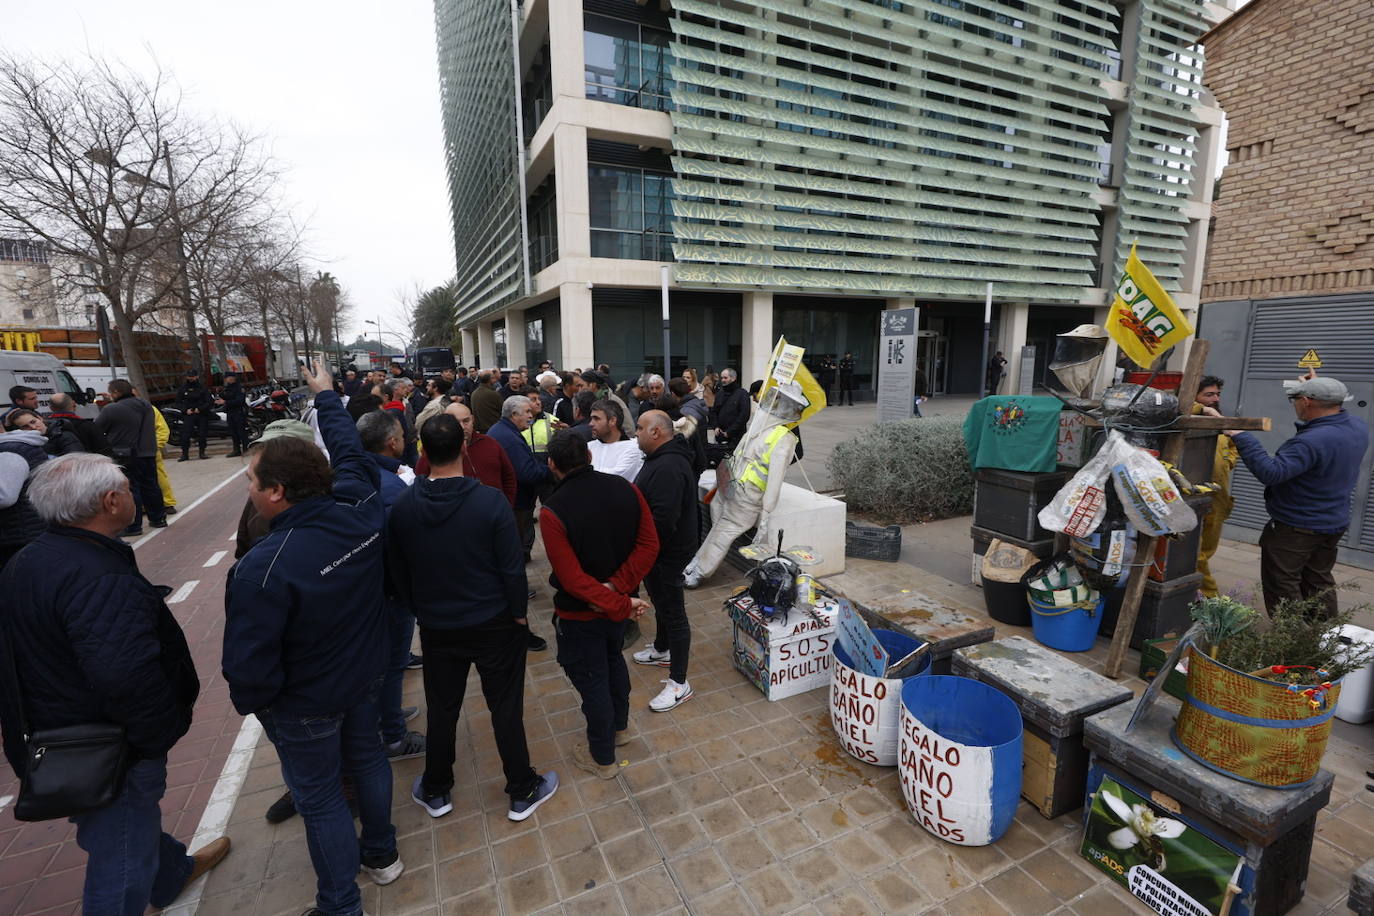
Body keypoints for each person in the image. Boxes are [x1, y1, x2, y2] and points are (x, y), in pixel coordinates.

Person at [0, 453, 230, 910]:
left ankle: (171, 874)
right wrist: (153, 739)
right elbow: (125, 675)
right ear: (109, 501)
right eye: (126, 489)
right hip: (106, 746)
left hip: (57, 731)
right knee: (121, 854)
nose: (133, 495)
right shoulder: (97, 577)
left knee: (123, 824)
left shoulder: (30, 560)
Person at [222, 359, 404, 912]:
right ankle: (382, 854)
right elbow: (350, 452)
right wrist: (326, 395)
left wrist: (267, 711)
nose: (248, 488)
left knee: (322, 797)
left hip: (306, 704)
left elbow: (247, 670)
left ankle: (339, 905)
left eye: (251, 480)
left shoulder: (262, 569)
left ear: (276, 492)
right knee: (369, 760)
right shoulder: (359, 506)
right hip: (364, 675)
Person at [387, 415, 559, 821]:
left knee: (443, 707)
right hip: (493, 621)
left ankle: (436, 788)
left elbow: (397, 570)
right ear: (463, 449)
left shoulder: (404, 505)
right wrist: (519, 614)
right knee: (504, 705)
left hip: (438, 625)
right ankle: (521, 787)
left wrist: (419, 609)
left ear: (423, 452)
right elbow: (510, 567)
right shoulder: (488, 501)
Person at [540, 432, 657, 777]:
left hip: (582, 612)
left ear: (551, 465)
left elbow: (573, 579)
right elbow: (648, 546)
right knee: (612, 663)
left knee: (593, 681)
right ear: (589, 458)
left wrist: (612, 599)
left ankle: (602, 758)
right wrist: (618, 593)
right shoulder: (626, 488)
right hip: (616, 603)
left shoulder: (552, 511)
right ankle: (619, 729)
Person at [1226, 374, 1370, 619]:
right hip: (1331, 523)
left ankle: (1291, 642)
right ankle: (1324, 636)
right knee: (1318, 580)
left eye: (1295, 399)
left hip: (1297, 528)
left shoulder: (1310, 442)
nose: (1293, 404)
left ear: (1306, 401)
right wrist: (1318, 385)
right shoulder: (1357, 427)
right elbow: (1330, 403)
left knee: (1282, 584)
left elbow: (1271, 473)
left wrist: (1241, 436)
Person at [685, 382, 807, 588]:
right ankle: (697, 562)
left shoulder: (782, 438)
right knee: (718, 529)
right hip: (732, 487)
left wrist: (766, 515)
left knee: (723, 532)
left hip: (745, 496)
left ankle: (698, 570)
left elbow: (774, 482)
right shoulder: (761, 427)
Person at [356, 411, 427, 762]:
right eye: (401, 433)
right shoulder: (390, 488)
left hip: (372, 590)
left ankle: (390, 715)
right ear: (392, 443)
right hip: (391, 592)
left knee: (387, 665)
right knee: (392, 663)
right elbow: (402, 546)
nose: (405, 439)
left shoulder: (360, 473)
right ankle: (395, 738)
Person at [631, 411, 698, 711]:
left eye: (640, 428)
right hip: (657, 552)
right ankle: (662, 648)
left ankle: (679, 683)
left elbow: (663, 520)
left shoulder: (669, 465)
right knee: (661, 601)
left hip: (666, 554)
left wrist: (644, 552)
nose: (636, 434)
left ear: (656, 432)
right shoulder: (660, 459)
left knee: (674, 613)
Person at [488, 396, 554, 577]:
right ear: (514, 414)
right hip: (516, 502)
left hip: (514, 500)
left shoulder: (505, 431)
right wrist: (553, 471)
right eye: (527, 412)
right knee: (514, 548)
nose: (530, 415)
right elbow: (527, 472)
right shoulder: (508, 437)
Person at [95, 379, 167, 536]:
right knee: (151, 486)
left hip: (125, 454)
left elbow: (97, 429)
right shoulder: (146, 405)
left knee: (130, 489)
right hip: (148, 452)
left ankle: (133, 525)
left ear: (115, 392)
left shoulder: (111, 409)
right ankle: (158, 518)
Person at [1193, 376, 1239, 597]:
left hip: (1219, 495)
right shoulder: (1188, 416)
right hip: (1193, 495)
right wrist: (1202, 411)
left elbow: (1233, 444)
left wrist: (1229, 461)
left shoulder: (1221, 420)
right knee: (1193, 550)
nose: (1215, 399)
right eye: (1209, 394)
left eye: (1217, 394)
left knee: (1208, 548)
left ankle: (1197, 587)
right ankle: (1210, 595)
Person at [0, 419, 48, 570]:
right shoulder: (16, 447)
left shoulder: (9, 451)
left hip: (20, 537)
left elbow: (5, 497)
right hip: (27, 532)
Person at [588, 398, 643, 482]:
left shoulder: (633, 448)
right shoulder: (588, 446)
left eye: (596, 419)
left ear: (612, 421)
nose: (591, 424)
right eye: (591, 419)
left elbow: (615, 477)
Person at [5, 408, 83, 455]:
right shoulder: (23, 443)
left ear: (40, 418)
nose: (33, 427)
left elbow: (76, 460)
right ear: (20, 430)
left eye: (33, 422)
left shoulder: (64, 436)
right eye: (25, 426)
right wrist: (7, 427)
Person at [174, 368, 212, 461]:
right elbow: (178, 402)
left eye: (193, 376)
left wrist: (200, 409)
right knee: (185, 434)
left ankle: (202, 452)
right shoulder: (183, 388)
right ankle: (185, 454)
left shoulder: (202, 387)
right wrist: (185, 410)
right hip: (188, 414)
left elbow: (209, 401)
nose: (191, 378)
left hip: (201, 413)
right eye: (189, 376)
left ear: (197, 377)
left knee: (202, 434)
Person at [714, 368, 751, 452]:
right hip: (720, 436)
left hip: (737, 437)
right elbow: (714, 411)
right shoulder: (720, 393)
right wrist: (715, 426)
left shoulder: (742, 394)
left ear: (733, 378)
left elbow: (744, 416)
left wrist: (729, 432)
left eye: (725, 378)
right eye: (722, 378)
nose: (723, 380)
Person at [151, 400, 178, 515]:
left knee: (159, 476)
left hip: (148, 450)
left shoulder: (149, 409)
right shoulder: (149, 409)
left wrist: (156, 445)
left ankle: (167, 502)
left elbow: (162, 430)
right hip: (145, 450)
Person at [217, 372, 249, 458]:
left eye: (230, 377)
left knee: (241, 432)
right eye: (227, 378)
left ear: (234, 378)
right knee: (233, 432)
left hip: (238, 412)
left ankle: (246, 449)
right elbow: (225, 396)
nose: (228, 379)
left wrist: (226, 402)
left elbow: (240, 400)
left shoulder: (239, 387)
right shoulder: (227, 388)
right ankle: (236, 450)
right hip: (230, 412)